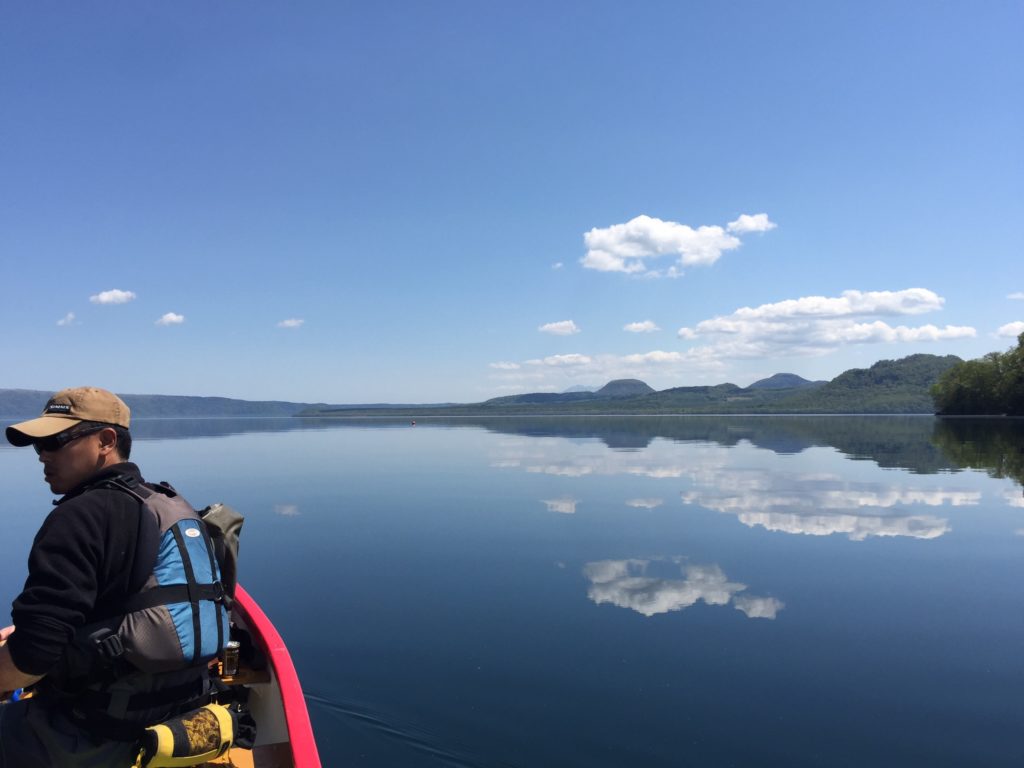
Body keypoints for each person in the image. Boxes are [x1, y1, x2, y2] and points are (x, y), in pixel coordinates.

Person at [0, 387, 218, 767]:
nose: (43, 456)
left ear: (106, 441)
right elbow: (130, 607)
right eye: (38, 447)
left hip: (95, 734)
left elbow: (30, 659)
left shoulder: (79, 517)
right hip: (183, 720)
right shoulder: (167, 503)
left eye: (55, 441)